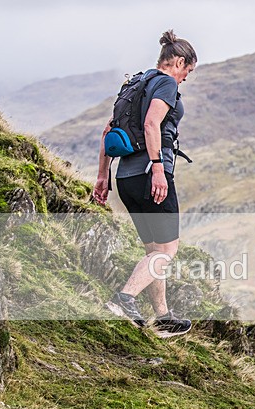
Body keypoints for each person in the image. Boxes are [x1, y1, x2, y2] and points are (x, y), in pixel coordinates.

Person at [93, 30, 196, 338]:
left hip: (126, 178)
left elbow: (107, 132)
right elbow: (152, 123)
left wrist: (102, 177)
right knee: (167, 250)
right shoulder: (164, 83)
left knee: (154, 250)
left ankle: (163, 317)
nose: (185, 79)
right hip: (151, 177)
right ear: (177, 62)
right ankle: (125, 299)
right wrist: (158, 168)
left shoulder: (136, 83)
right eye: (187, 72)